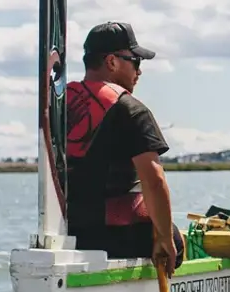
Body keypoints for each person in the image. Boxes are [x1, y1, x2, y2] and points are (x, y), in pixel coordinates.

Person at [62, 21, 184, 275]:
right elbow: (154, 181)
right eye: (135, 62)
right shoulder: (129, 108)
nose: (139, 72)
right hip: (117, 237)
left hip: (70, 233)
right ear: (111, 62)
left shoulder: (59, 107)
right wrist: (164, 238)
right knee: (175, 237)